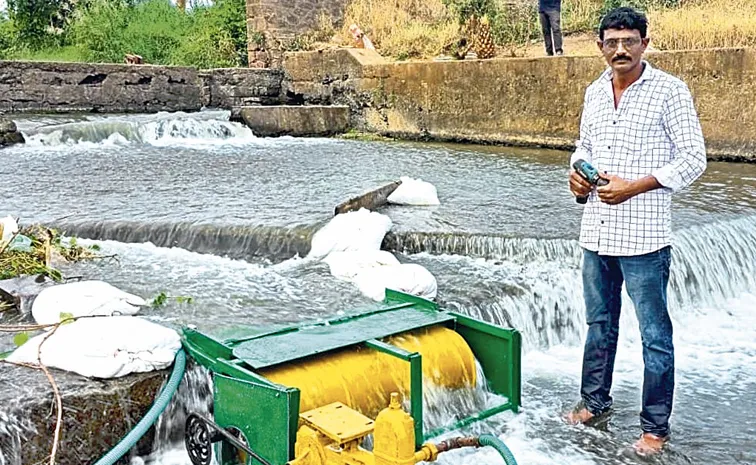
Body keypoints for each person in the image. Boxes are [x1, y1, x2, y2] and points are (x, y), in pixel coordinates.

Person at [565, 6, 707, 456]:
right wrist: (576, 174)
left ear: (645, 43)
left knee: (654, 337)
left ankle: (654, 429)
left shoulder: (670, 91)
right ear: (600, 46)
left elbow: (693, 159)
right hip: (597, 233)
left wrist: (634, 187)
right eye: (611, 42)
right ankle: (594, 402)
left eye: (629, 41)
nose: (620, 49)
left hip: (645, 239)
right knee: (599, 325)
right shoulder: (593, 92)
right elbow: (583, 147)